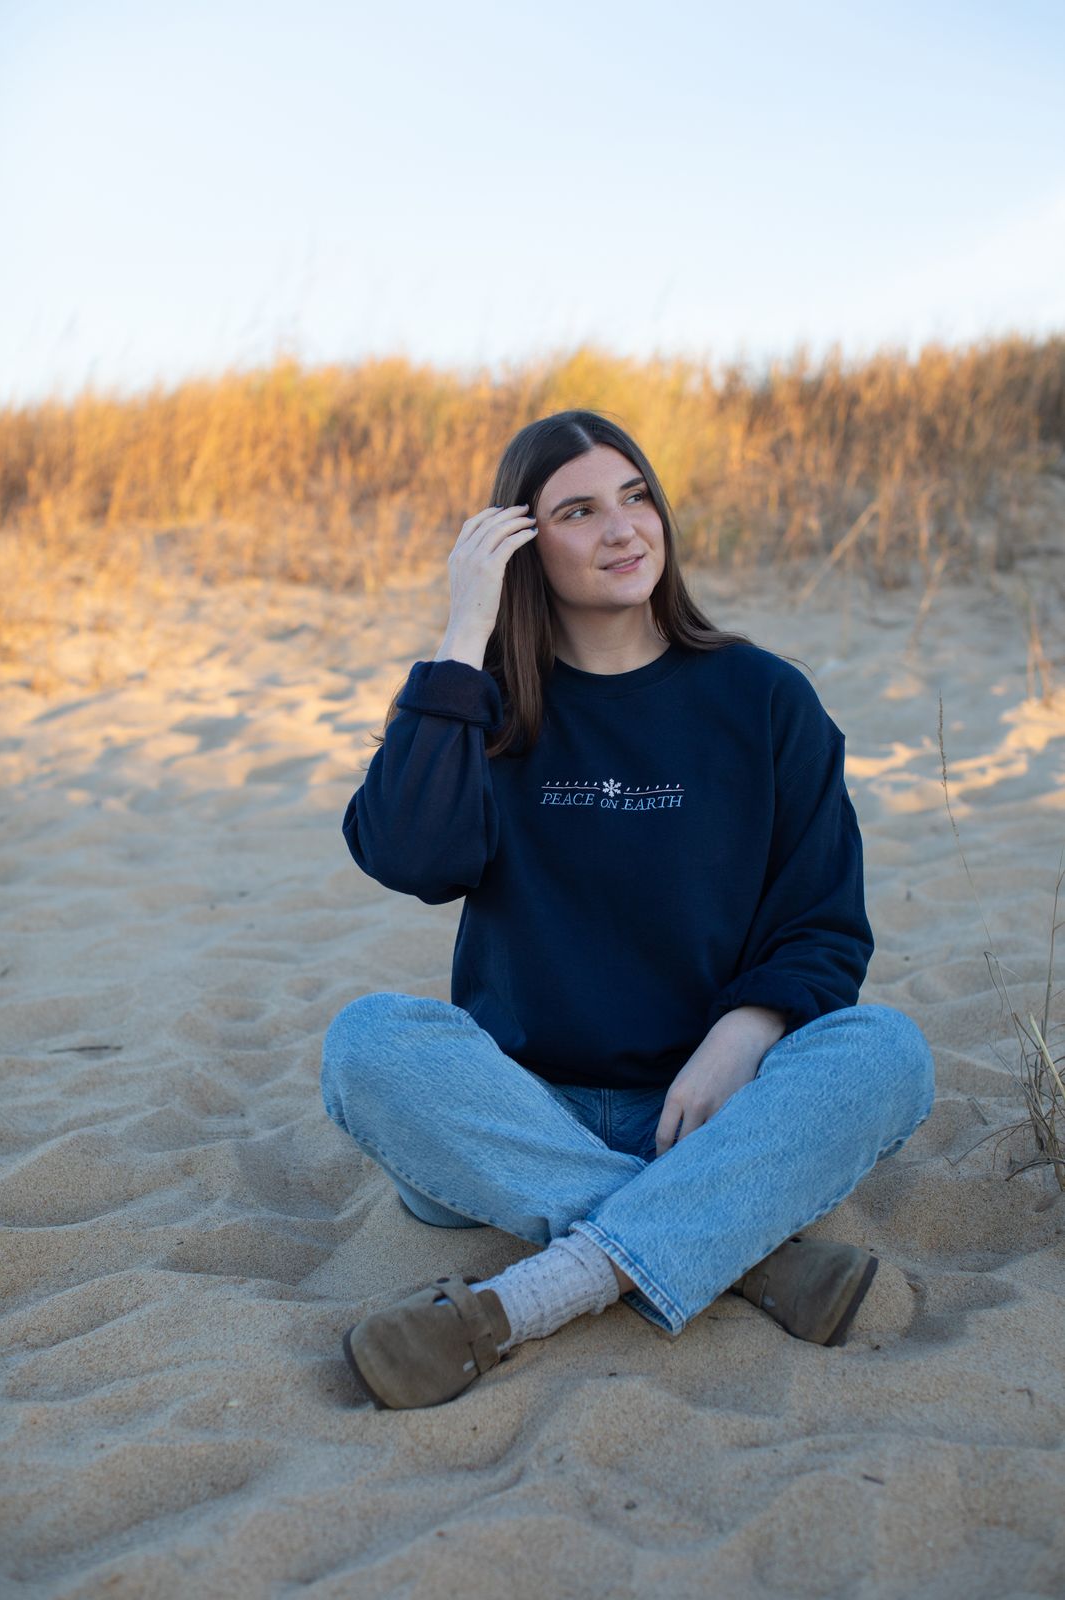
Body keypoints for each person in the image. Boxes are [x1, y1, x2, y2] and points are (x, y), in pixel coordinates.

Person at [320, 409, 935, 1411]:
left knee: (886, 1052)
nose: (622, 529)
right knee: (368, 1042)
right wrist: (464, 635)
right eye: (577, 511)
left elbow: (823, 921)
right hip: (516, 1118)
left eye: (636, 496)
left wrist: (743, 1035)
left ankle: (519, 1302)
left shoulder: (764, 698)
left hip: (710, 1112)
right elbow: (409, 856)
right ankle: (740, 1252)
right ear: (522, 545)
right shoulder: (482, 704)